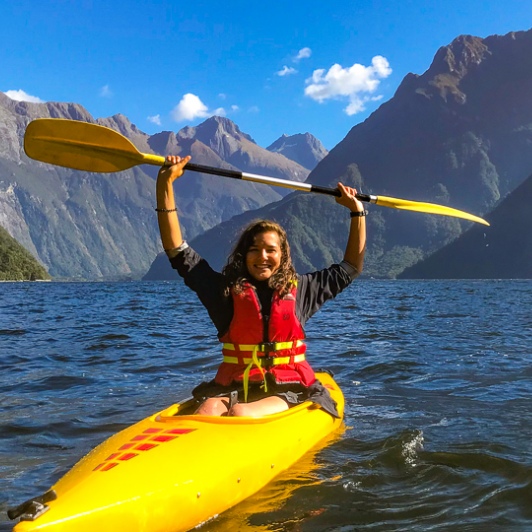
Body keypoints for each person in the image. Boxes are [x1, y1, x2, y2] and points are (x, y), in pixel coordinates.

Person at [156, 155, 366, 418]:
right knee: (207, 409)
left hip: (289, 389)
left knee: (241, 414)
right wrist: (165, 184)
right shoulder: (224, 292)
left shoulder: (302, 290)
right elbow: (178, 252)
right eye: (254, 250)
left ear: (283, 255)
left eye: (270, 250)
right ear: (243, 255)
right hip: (235, 387)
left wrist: (357, 211)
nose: (262, 256)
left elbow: (351, 266)